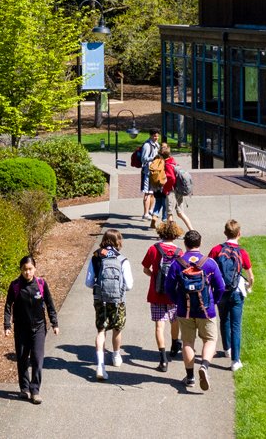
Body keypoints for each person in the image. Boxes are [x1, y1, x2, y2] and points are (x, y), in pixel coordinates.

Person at [165, 230, 224, 391]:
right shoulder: (210, 263)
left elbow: (168, 287)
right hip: (207, 310)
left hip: (185, 310)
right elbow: (220, 286)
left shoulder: (177, 264)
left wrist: (177, 301)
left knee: (188, 342)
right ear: (200, 243)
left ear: (185, 244)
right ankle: (204, 366)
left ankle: (190, 377)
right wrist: (214, 301)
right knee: (210, 340)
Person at [5, 255, 59, 404]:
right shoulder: (15, 286)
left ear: (34, 269)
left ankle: (35, 390)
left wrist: (54, 323)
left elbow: (49, 304)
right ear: (21, 270)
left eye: (30, 269)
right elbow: (8, 306)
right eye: (24, 270)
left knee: (37, 358)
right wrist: (7, 325)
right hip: (21, 329)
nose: (27, 272)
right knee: (22, 359)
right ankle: (25, 388)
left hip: (39, 327)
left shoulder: (41, 284)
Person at [85, 230, 133, 381]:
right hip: (118, 299)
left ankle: (100, 365)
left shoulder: (96, 257)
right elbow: (129, 285)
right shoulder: (123, 259)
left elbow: (88, 282)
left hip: (100, 298)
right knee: (117, 328)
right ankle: (116, 355)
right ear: (118, 241)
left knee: (101, 330)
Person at [209, 220, 256, 371]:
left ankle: (227, 349)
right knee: (236, 325)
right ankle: (235, 361)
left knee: (224, 319)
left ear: (225, 233)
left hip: (221, 291)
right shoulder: (242, 252)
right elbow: (251, 276)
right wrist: (249, 286)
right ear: (239, 234)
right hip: (236, 291)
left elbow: (209, 268)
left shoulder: (216, 250)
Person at [142, 220, 185, 372]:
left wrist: (154, 276)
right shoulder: (179, 252)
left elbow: (146, 268)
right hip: (174, 293)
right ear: (175, 234)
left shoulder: (153, 249)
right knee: (175, 321)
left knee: (159, 326)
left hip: (156, 292)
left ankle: (163, 359)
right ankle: (175, 344)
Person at [161, 145, 195, 231]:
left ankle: (169, 234)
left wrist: (166, 188)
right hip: (179, 189)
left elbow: (172, 178)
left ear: (161, 156)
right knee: (180, 212)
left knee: (169, 213)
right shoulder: (173, 161)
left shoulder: (167, 165)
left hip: (172, 191)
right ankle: (192, 230)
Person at [138, 129, 161, 221]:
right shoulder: (147, 145)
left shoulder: (157, 145)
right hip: (147, 172)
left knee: (153, 193)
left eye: (157, 136)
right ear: (151, 136)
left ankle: (151, 210)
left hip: (154, 172)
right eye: (155, 136)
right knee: (147, 192)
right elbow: (143, 159)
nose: (156, 138)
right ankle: (145, 213)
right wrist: (154, 158)